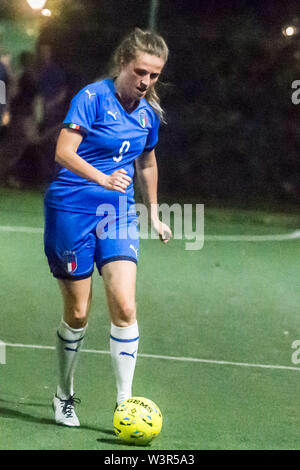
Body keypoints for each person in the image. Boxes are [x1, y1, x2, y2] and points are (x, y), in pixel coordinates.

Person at [44, 28, 172, 427]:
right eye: (140, 72)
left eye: (154, 75)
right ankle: (63, 395)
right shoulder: (91, 98)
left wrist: (152, 212)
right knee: (79, 312)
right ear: (123, 63)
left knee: (125, 305)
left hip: (117, 212)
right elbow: (63, 152)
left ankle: (125, 405)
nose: (146, 82)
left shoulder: (148, 113)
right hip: (72, 208)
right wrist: (101, 179)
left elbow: (146, 163)